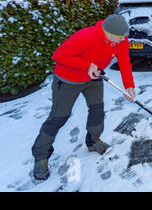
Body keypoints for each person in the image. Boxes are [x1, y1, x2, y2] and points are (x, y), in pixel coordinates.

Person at [31, 15, 136, 181]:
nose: (123, 40)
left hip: (93, 79)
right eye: (120, 37)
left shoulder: (121, 40)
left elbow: (124, 61)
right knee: (59, 117)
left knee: (97, 110)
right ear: (107, 32)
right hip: (68, 80)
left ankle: (93, 141)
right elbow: (58, 55)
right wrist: (87, 65)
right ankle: (41, 156)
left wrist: (129, 85)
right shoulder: (86, 36)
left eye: (124, 36)